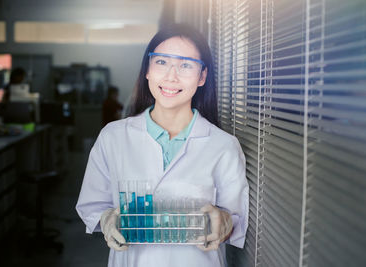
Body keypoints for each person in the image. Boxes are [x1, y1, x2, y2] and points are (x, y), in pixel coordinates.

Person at [76, 23, 249, 267]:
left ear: (202, 77)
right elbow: (91, 205)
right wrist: (107, 219)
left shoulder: (223, 146)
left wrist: (225, 221)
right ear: (147, 69)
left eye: (185, 65)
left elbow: (236, 220)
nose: (171, 76)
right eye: (162, 62)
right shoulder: (113, 137)